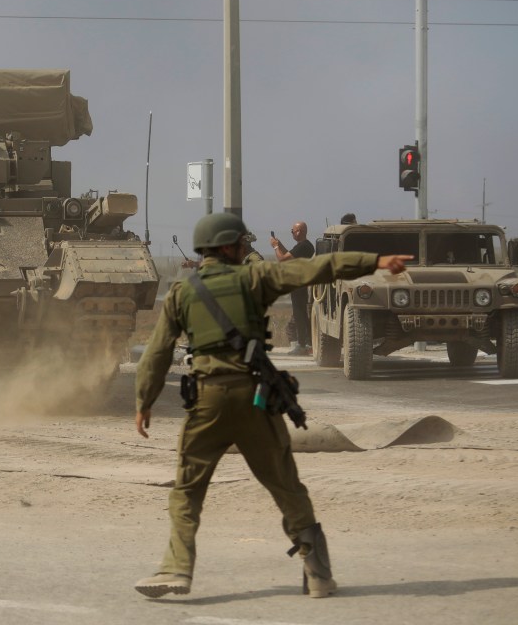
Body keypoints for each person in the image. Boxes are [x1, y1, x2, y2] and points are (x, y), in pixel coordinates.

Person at [133, 212, 411, 599]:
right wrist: (375, 262)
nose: (247, 249)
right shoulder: (255, 278)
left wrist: (144, 401)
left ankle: (177, 568)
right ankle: (318, 574)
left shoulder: (182, 292)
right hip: (255, 400)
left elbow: (157, 353)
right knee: (286, 487)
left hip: (207, 403)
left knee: (186, 491)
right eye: (242, 245)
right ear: (229, 247)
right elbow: (318, 268)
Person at [269, 222, 314, 355]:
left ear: (299, 231)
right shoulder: (305, 246)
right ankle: (307, 343)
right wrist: (280, 244)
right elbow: (290, 254)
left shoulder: (303, 246)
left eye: (293, 231)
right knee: (302, 314)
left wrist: (275, 246)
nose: (292, 233)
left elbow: (283, 259)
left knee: (299, 314)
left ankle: (302, 345)